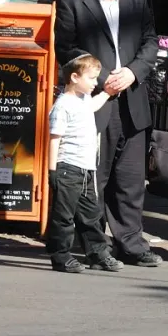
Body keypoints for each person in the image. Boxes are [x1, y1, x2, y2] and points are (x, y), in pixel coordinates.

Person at [54, 0, 162, 268]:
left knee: (130, 179)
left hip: (131, 98)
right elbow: (65, 51)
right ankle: (93, 245)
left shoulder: (137, 0)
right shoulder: (72, 3)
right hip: (94, 100)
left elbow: (150, 42)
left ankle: (130, 242)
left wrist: (132, 72)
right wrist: (98, 77)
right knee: (94, 178)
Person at [46, 54, 124, 273]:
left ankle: (98, 254)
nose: (94, 83)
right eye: (91, 78)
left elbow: (94, 105)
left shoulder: (82, 100)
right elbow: (54, 139)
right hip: (67, 169)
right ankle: (60, 256)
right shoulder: (62, 105)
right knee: (64, 217)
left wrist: (108, 93)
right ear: (74, 77)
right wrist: (53, 171)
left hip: (86, 169)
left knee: (91, 215)